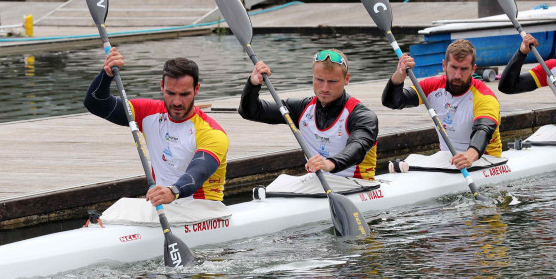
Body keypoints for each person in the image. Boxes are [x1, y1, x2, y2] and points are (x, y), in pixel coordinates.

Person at [84, 50, 229, 205]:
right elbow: (95, 103)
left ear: (197, 89)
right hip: (162, 206)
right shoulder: (147, 112)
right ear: (162, 87)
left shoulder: (212, 133)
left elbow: (198, 173)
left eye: (184, 94)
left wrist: (173, 191)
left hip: (202, 210)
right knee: (119, 207)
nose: (177, 102)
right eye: (171, 93)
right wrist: (106, 75)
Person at [239, 49, 378, 179]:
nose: (325, 88)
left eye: (332, 82)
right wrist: (253, 84)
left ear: (346, 79)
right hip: (316, 183)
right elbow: (250, 112)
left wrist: (330, 164)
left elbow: (358, 147)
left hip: (357, 183)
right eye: (319, 80)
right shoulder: (301, 108)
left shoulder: (362, 116)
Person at [382, 39, 502, 170]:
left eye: (464, 69)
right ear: (444, 65)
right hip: (446, 159)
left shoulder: (484, 97)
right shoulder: (432, 86)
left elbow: (483, 130)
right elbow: (393, 102)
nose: (457, 75)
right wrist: (399, 76)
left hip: (484, 159)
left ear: (473, 69)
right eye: (454, 67)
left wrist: (470, 155)